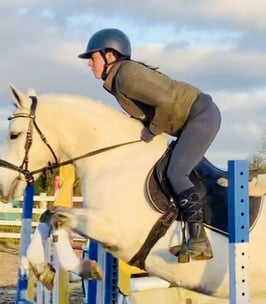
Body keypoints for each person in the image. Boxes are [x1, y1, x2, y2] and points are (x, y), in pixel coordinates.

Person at [78, 28, 221, 263]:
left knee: (176, 172)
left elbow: (164, 102)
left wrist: (151, 131)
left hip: (200, 115)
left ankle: (198, 239)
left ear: (110, 55)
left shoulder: (126, 76)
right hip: (190, 120)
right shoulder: (118, 78)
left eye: (92, 57)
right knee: (168, 169)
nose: (89, 64)